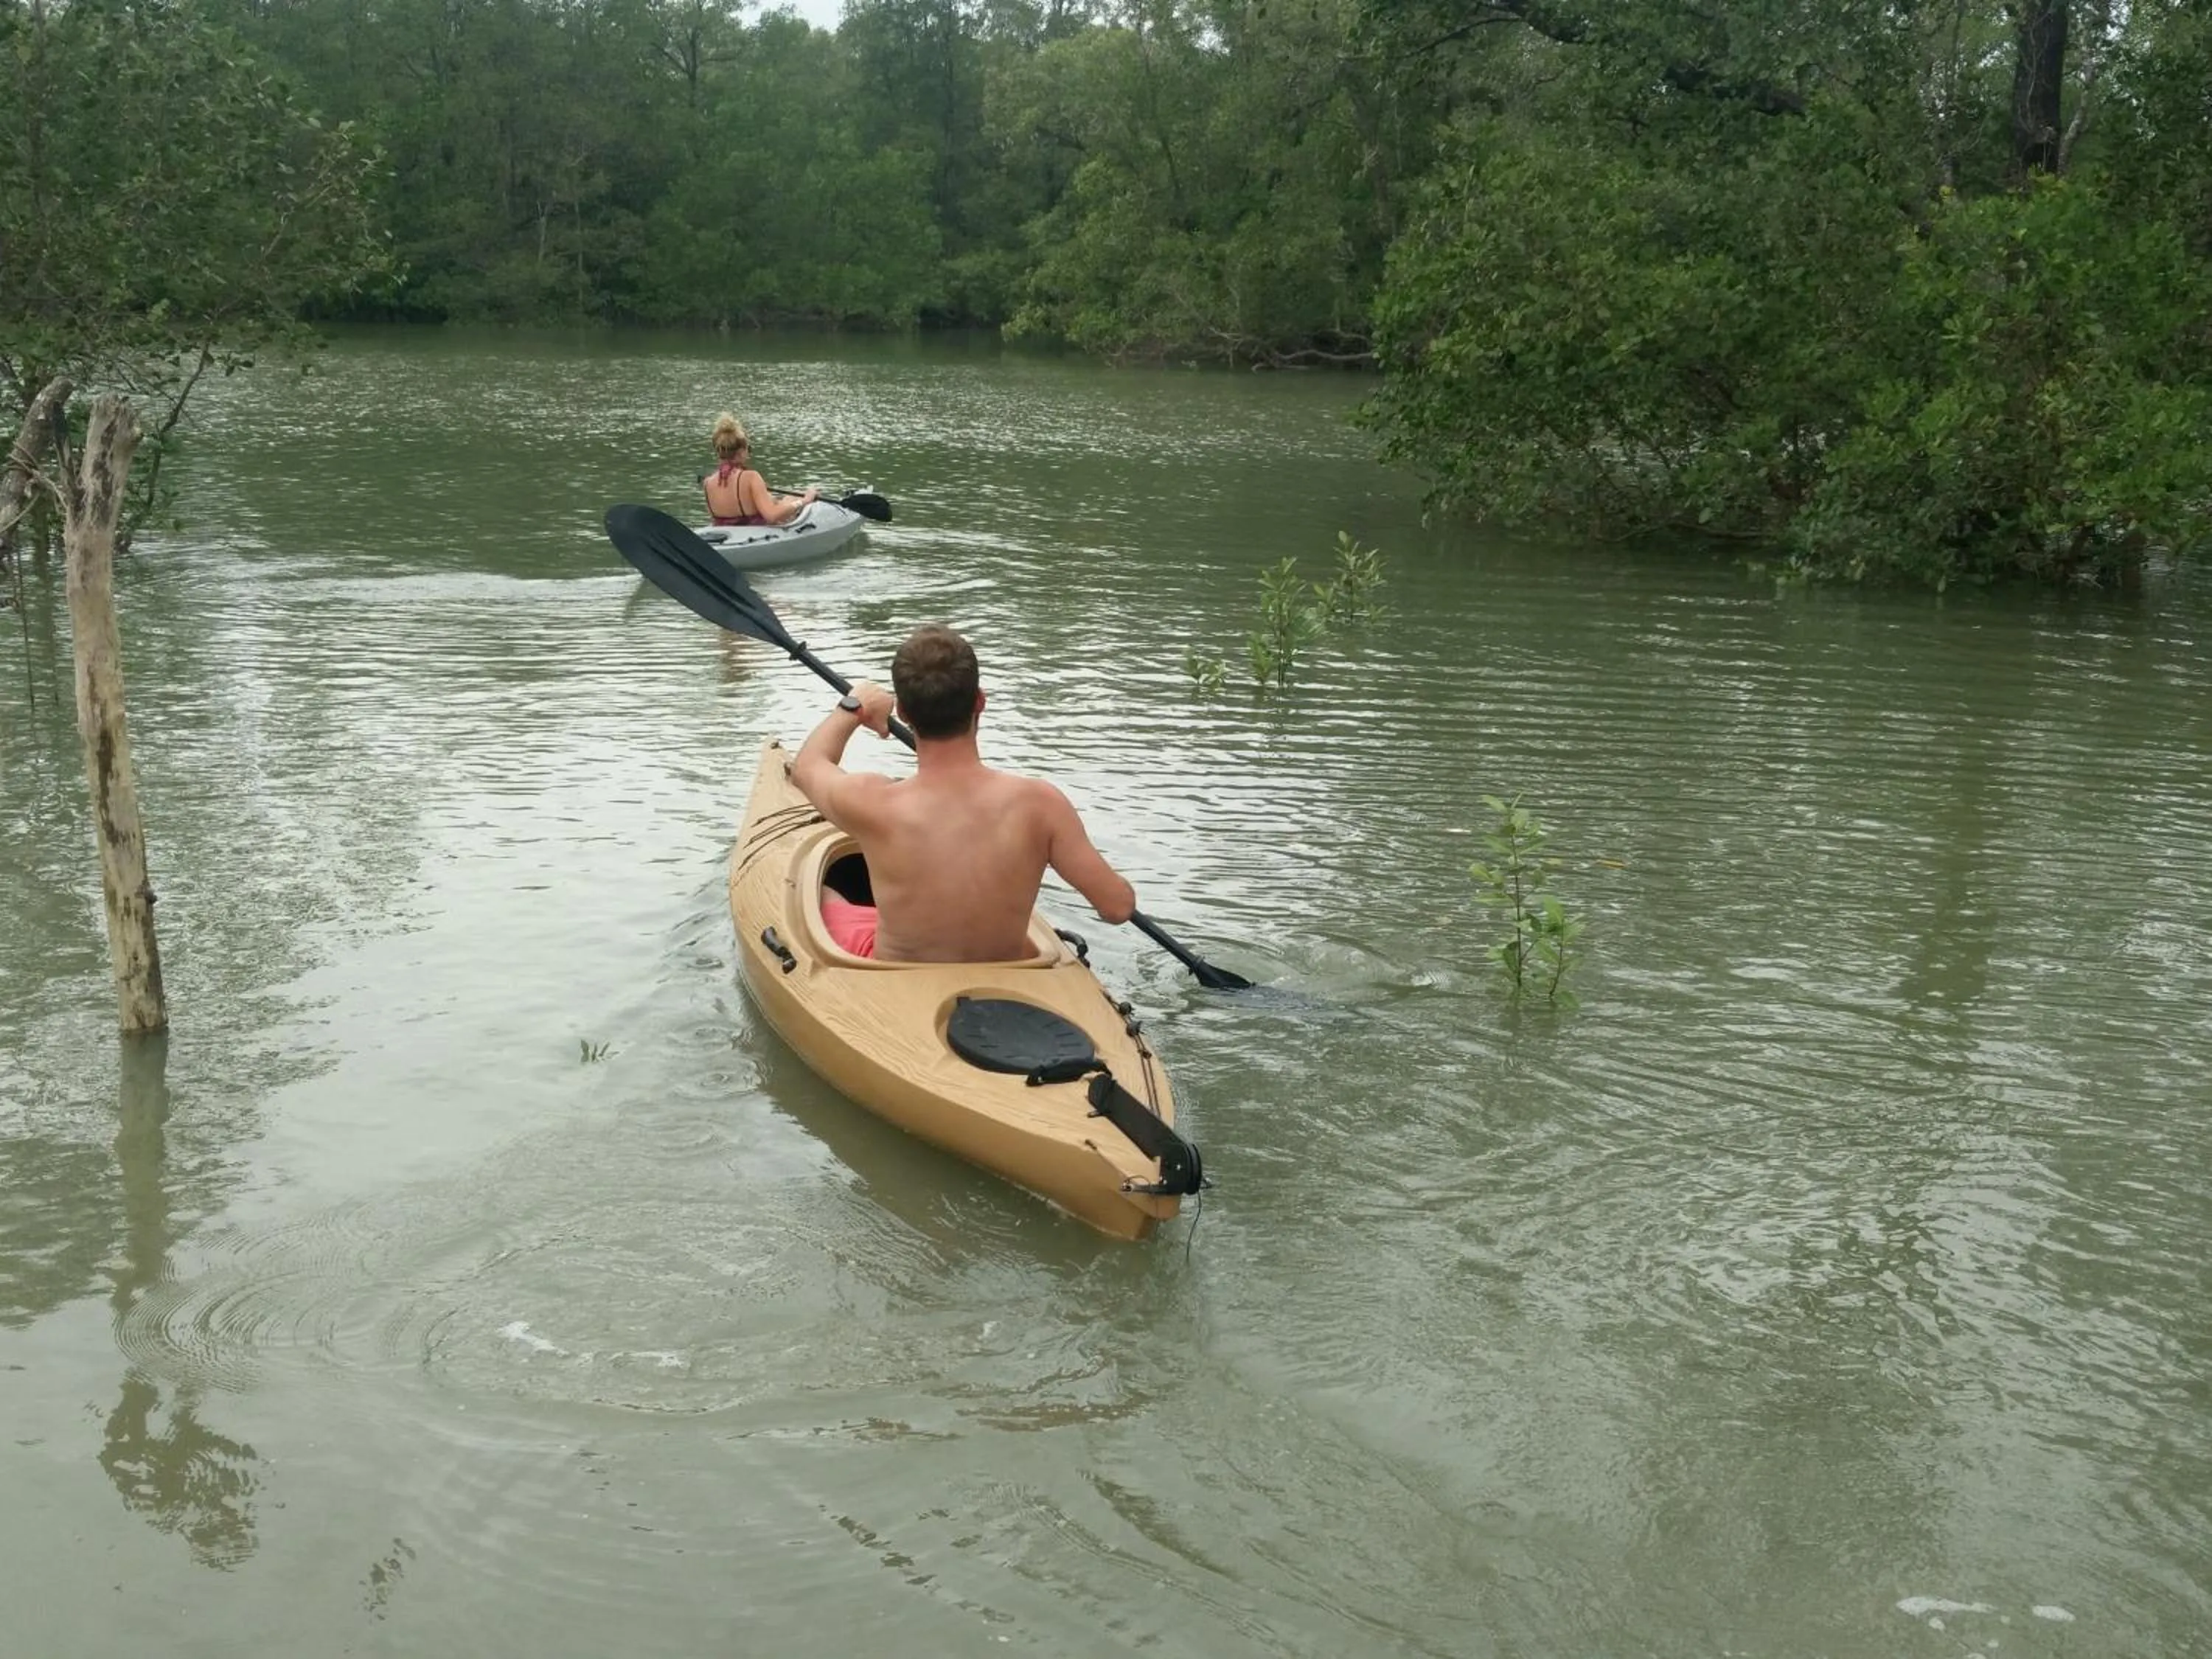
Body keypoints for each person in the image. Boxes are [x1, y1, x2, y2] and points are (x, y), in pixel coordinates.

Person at [789, 625, 1137, 962]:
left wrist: (853, 706)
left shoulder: (872, 800)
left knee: (822, 890)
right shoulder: (1041, 803)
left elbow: (807, 768)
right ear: (980, 702)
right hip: (1010, 972)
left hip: (896, 975)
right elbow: (1117, 908)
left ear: (905, 712)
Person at [701, 413, 818, 526]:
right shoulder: (751, 477)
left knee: (785, 499)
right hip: (754, 534)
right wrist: (804, 501)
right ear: (741, 452)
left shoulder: (708, 483)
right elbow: (771, 516)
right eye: (748, 449)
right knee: (792, 501)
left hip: (728, 537)